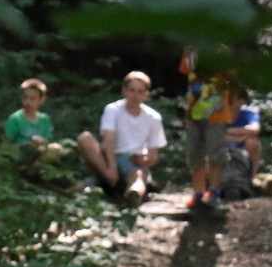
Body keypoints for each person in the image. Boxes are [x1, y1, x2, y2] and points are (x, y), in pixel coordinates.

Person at [76, 70, 166, 207]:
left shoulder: (153, 117)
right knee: (85, 138)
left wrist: (144, 160)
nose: (135, 95)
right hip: (109, 158)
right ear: (124, 91)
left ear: (146, 94)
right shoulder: (113, 109)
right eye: (132, 90)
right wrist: (111, 167)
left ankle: (133, 195)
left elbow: (153, 155)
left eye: (140, 91)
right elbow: (108, 138)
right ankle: (109, 181)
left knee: (137, 176)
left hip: (133, 161)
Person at [178, 46, 233, 210]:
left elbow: (232, 81)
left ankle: (214, 193)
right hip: (193, 115)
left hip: (217, 114)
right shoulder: (190, 51)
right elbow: (187, 75)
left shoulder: (224, 51)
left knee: (216, 153)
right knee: (194, 154)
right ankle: (197, 193)